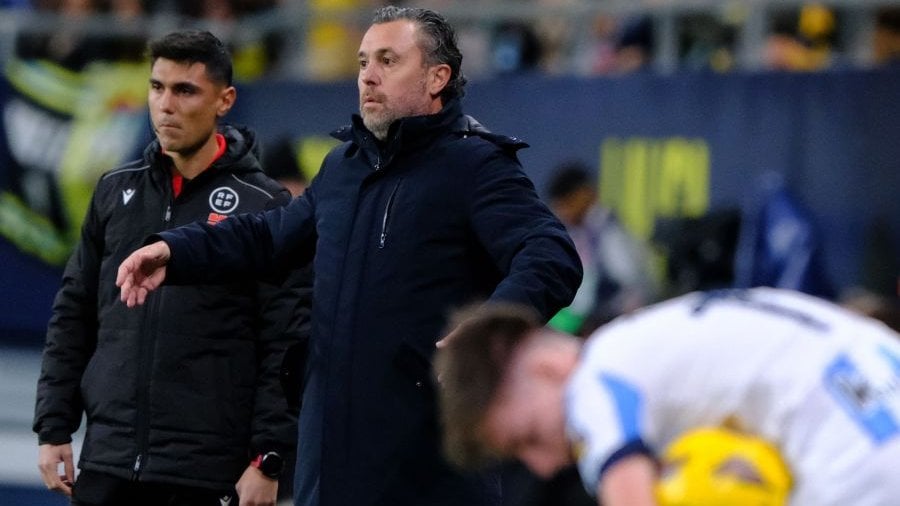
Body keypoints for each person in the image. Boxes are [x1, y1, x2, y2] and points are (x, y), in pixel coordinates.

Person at [115, 6, 582, 506]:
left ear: (437, 77)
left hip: (429, 468)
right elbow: (269, 236)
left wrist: (488, 331)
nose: (368, 76)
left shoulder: (475, 164)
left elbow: (550, 253)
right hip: (331, 464)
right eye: (362, 62)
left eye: (387, 60)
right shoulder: (343, 166)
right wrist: (177, 250)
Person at [33, 29, 303, 506]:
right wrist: (54, 426)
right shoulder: (114, 190)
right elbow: (74, 313)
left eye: (185, 91)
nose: (165, 105)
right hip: (109, 460)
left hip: (206, 472)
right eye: (157, 87)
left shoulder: (264, 205)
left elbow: (287, 341)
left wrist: (269, 456)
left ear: (224, 100)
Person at [435, 287, 900, 506]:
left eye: (529, 438)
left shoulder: (594, 382)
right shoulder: (642, 340)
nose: (541, 465)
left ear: (549, 366)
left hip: (855, 456)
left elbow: (630, 497)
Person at [545, 161, 658, 336]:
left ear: (584, 194)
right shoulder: (580, 231)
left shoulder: (611, 231)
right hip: (588, 321)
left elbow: (630, 284)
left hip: (615, 325)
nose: (562, 213)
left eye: (565, 204)